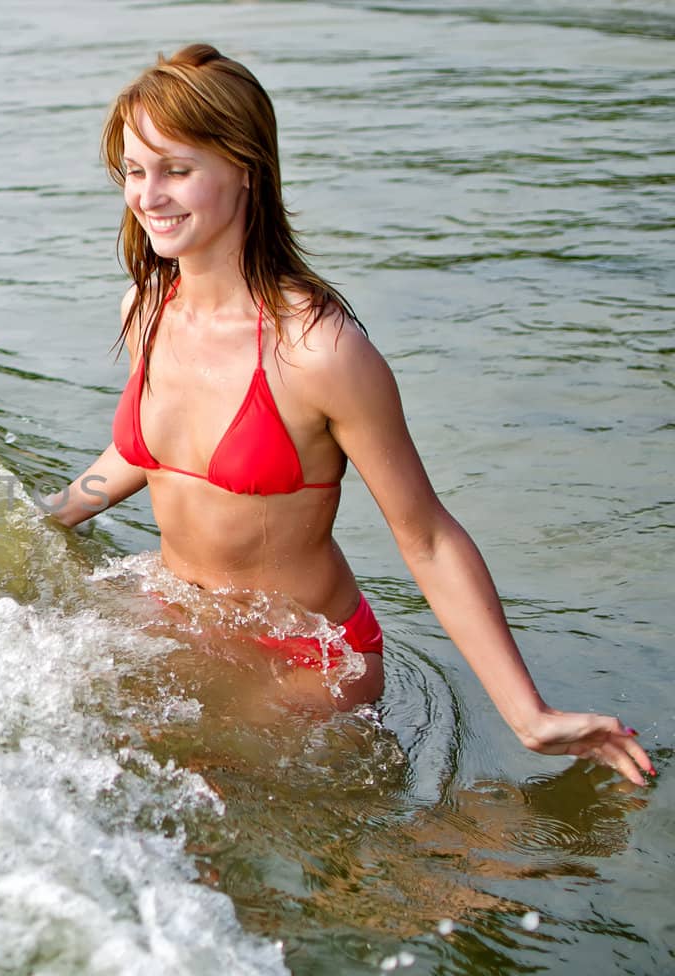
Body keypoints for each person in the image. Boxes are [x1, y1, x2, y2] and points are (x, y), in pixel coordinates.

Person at [44, 43, 654, 786]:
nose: (149, 195)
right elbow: (152, 455)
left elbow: (426, 536)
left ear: (244, 167)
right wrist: (43, 519)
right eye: (135, 172)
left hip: (304, 659)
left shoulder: (321, 352)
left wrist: (528, 714)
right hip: (179, 616)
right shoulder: (146, 308)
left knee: (175, 791)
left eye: (177, 169)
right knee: (32, 720)